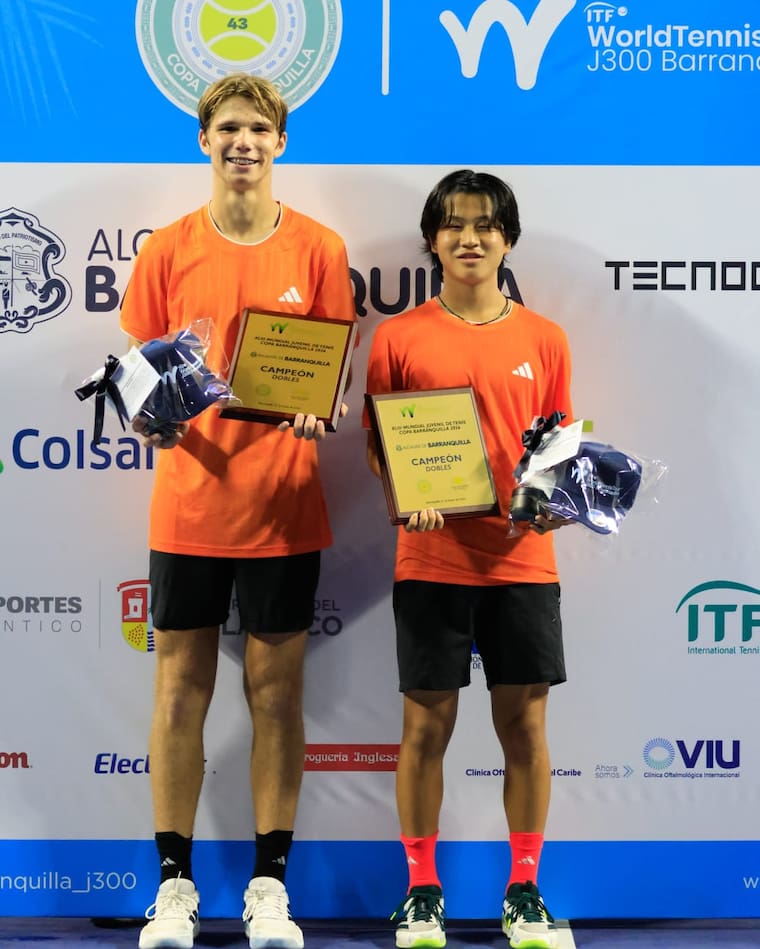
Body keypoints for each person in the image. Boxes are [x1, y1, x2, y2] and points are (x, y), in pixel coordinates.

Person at [119, 73, 356, 949]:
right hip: (188, 507)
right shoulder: (167, 249)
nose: (243, 142)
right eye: (227, 128)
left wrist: (320, 407)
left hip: (284, 509)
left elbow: (329, 373)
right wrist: (147, 416)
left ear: (281, 142)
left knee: (277, 696)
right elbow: (137, 370)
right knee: (179, 692)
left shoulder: (321, 248)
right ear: (204, 140)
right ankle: (173, 886)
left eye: (258, 127)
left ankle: (269, 886)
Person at [364, 170, 574, 949]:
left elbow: (557, 446)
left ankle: (525, 890)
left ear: (507, 239)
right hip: (431, 557)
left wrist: (553, 499)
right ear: (433, 239)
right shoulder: (399, 336)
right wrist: (406, 495)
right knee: (425, 726)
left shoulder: (546, 338)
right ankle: (421, 892)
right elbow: (380, 444)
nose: (470, 238)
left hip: (522, 562)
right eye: (453, 224)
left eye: (485, 225)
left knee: (525, 727)